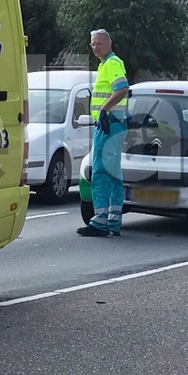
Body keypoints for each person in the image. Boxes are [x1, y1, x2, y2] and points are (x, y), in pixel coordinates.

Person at [78, 29, 130, 238]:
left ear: (109, 44)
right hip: (113, 125)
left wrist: (103, 109)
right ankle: (113, 221)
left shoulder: (111, 64)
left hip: (109, 125)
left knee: (99, 171)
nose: (94, 47)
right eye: (92, 44)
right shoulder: (106, 65)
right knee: (113, 174)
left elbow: (122, 88)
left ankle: (100, 222)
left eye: (98, 43)